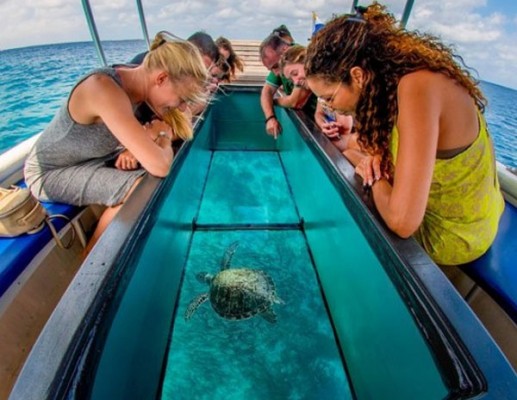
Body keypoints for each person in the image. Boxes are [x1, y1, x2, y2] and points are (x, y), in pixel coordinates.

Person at [305, 4, 505, 266]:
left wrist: (372, 177)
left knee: (349, 216)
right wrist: (368, 156)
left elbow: (402, 222)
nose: (330, 107)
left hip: (456, 235)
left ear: (357, 75)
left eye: (329, 98)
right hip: (486, 208)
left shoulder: (418, 88)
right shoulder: (398, 82)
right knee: (350, 151)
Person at [24, 32, 208, 253]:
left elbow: (185, 121)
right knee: (141, 187)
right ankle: (91, 269)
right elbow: (161, 166)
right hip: (51, 172)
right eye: (181, 98)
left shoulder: (142, 88)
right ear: (161, 79)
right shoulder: (103, 87)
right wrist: (163, 137)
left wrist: (157, 138)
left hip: (92, 160)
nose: (180, 106)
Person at [279, 45, 358, 152]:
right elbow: (319, 112)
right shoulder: (318, 90)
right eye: (291, 79)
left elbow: (345, 128)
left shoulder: (329, 84)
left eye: (295, 73)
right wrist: (323, 125)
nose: (296, 82)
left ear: (307, 63)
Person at [259, 25, 314, 139]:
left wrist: (274, 102)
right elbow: (266, 91)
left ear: (285, 51)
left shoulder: (300, 60)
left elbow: (295, 102)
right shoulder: (280, 66)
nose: (275, 73)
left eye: (275, 67)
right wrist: (270, 117)